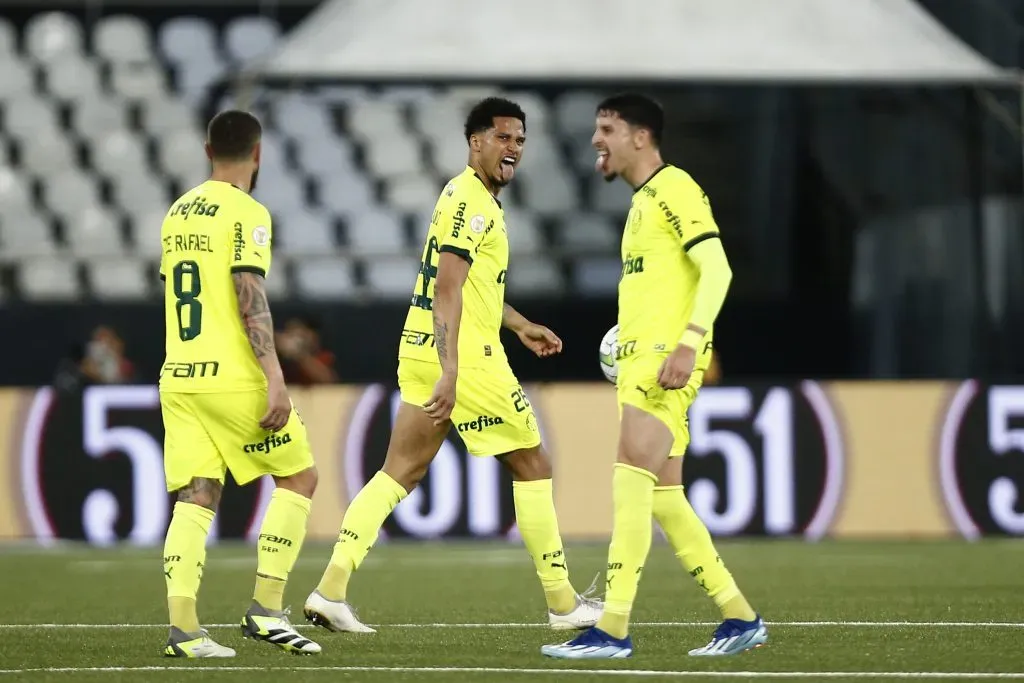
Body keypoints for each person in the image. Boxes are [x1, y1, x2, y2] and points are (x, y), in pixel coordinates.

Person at [303, 97, 602, 634]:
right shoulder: (474, 202)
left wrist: (518, 324)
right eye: (504, 138)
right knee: (532, 465)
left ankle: (329, 590)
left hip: (421, 348)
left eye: (520, 141)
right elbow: (446, 289)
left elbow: (472, 287)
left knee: (400, 471)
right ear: (476, 141)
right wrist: (451, 368)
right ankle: (562, 604)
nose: (513, 149)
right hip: (463, 358)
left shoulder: (464, 196)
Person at [543, 93, 766, 659]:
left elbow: (718, 268)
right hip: (644, 361)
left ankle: (612, 628)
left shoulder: (674, 189)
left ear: (641, 137)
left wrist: (689, 345)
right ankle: (739, 617)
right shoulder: (644, 201)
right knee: (665, 497)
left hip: (665, 363)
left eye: (607, 128)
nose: (597, 139)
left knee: (628, 481)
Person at [158, 110, 320, 658]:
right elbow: (247, 292)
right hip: (233, 377)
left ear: (208, 151)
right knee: (300, 478)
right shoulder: (247, 212)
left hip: (179, 375)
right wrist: (275, 376)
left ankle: (184, 629)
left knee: (196, 497)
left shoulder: (178, 212)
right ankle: (267, 611)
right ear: (258, 153)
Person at [277, 316, 338, 386]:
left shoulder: (323, 356)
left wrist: (301, 355)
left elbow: (328, 381)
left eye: (301, 336)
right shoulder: (279, 359)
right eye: (292, 335)